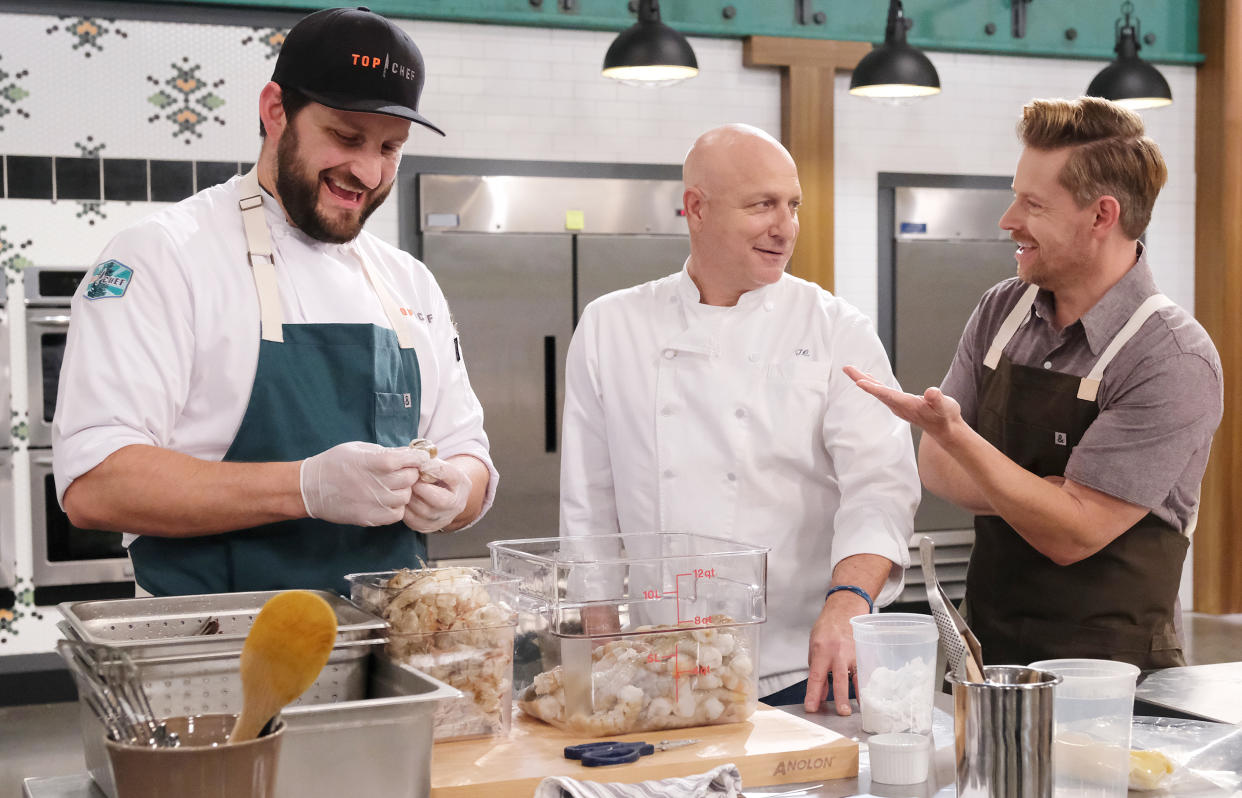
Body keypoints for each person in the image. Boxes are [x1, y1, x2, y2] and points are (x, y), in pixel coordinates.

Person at [52, 7, 497, 597]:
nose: (367, 170)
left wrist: (452, 494)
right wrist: (306, 488)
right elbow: (95, 483)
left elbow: (471, 457)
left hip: (387, 652)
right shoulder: (162, 257)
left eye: (391, 147)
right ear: (275, 111)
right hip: (216, 650)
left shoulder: (408, 284)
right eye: (345, 137)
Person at [847, 97, 1222, 669]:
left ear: (1101, 216)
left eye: (1033, 203)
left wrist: (962, 439)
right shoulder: (1003, 309)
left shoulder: (1171, 356)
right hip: (989, 657)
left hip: (1112, 677)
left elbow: (1070, 538)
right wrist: (1044, 495)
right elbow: (937, 468)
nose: (1007, 220)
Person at [559, 123, 920, 715]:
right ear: (696, 209)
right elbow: (588, 504)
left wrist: (850, 601)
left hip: (802, 670)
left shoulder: (834, 328)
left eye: (793, 205)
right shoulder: (611, 326)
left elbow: (881, 485)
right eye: (763, 206)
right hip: (657, 669)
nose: (785, 227)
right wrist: (595, 647)